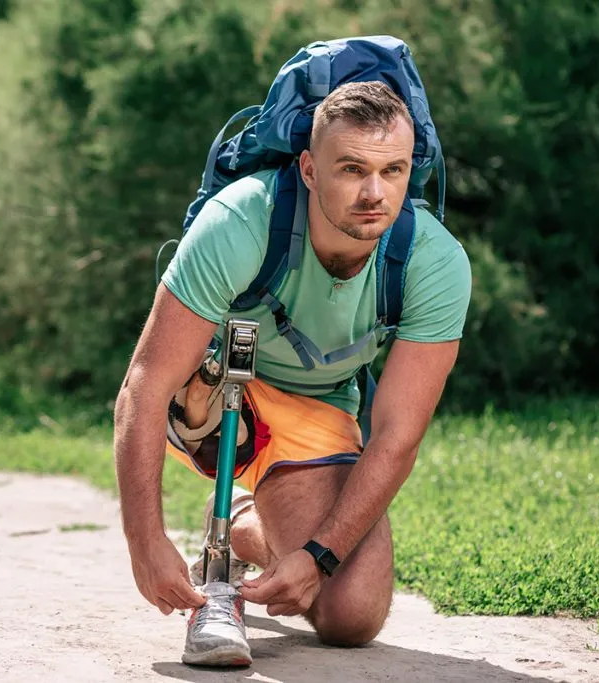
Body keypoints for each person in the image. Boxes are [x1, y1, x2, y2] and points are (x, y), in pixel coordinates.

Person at [113, 80, 472, 666]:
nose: (374, 192)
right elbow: (144, 387)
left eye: (394, 170)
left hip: (321, 403)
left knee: (352, 615)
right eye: (351, 168)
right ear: (308, 168)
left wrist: (316, 557)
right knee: (202, 381)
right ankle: (223, 531)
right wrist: (144, 541)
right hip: (216, 387)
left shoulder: (434, 261)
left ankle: (241, 522)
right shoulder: (241, 220)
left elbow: (397, 436)